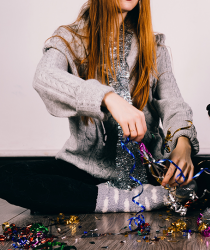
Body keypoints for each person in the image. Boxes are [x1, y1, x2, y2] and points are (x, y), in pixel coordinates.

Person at [0, 0, 199, 214]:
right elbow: (44, 77)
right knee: (6, 177)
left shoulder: (155, 47)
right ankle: (134, 200)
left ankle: (94, 199)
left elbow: (174, 104)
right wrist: (108, 98)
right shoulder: (70, 38)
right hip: (85, 167)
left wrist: (183, 145)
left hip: (148, 168)